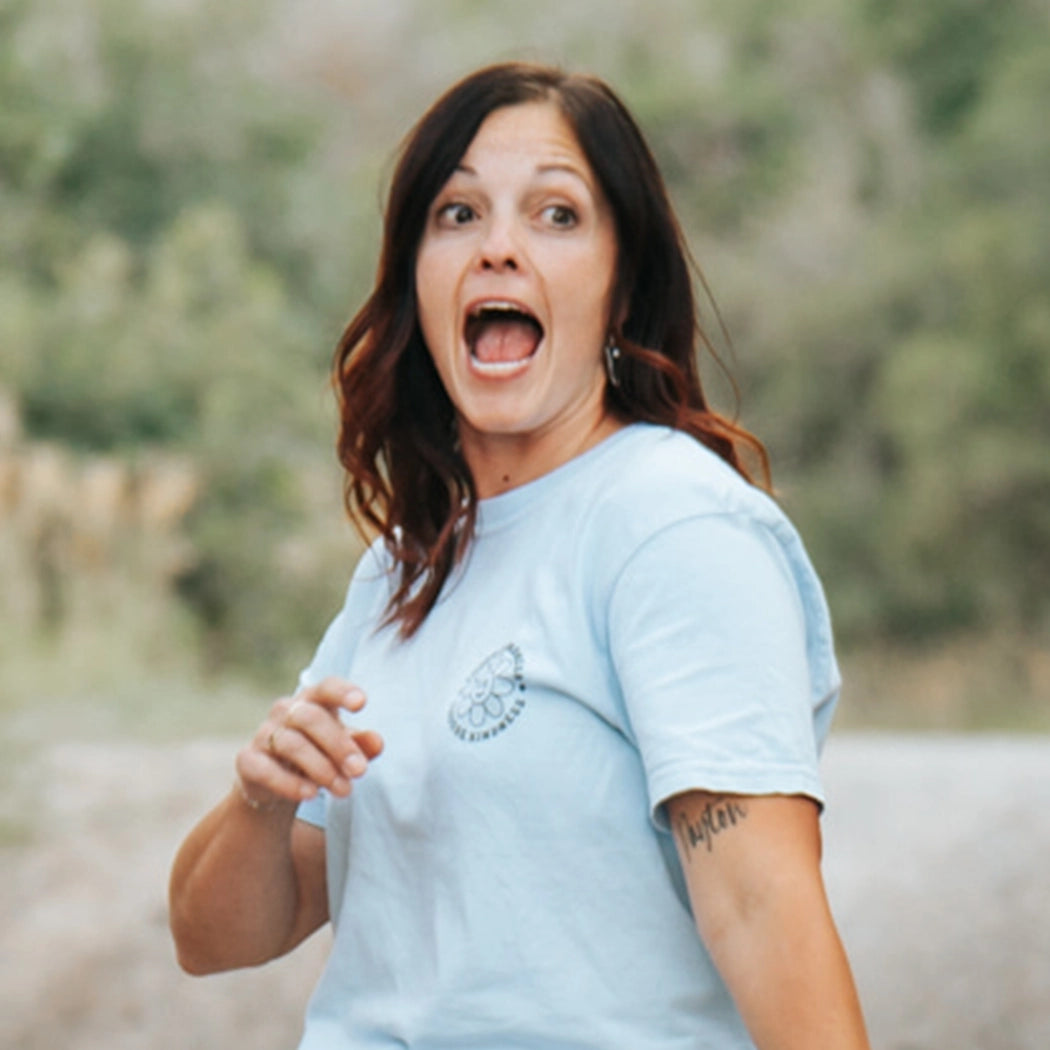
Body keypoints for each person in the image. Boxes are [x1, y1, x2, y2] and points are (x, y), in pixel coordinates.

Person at [169, 62, 870, 1049]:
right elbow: (215, 940)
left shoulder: (674, 528)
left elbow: (765, 915)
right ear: (417, 276)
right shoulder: (402, 575)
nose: (498, 248)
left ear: (622, 285)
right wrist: (259, 797)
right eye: (457, 214)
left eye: (555, 215)